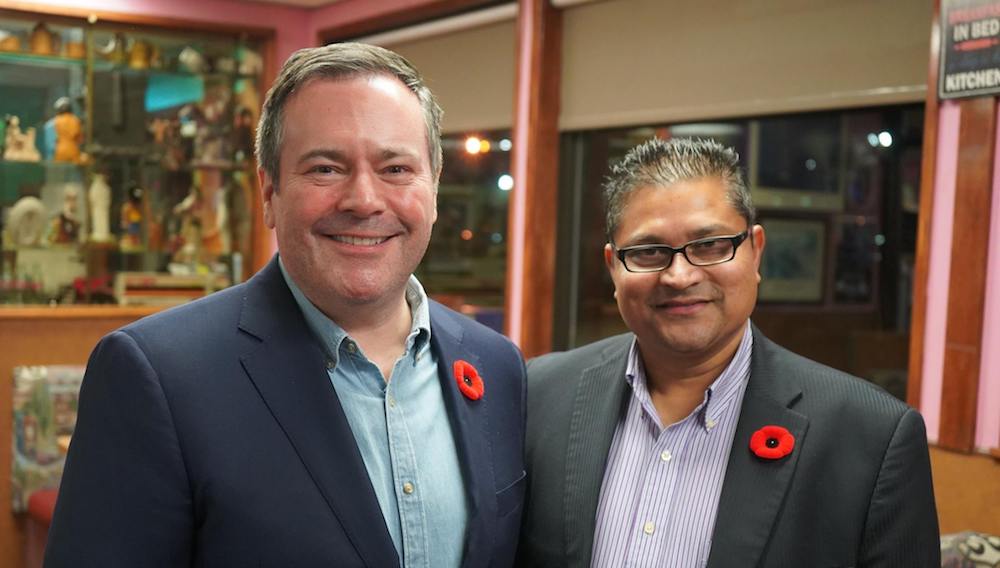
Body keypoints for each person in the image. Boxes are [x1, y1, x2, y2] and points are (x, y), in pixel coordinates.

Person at [46, 43, 527, 567]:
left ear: (433, 189)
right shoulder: (157, 376)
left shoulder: (497, 368)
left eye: (395, 169)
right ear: (269, 192)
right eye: (325, 168)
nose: (364, 199)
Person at [516, 138, 939, 567]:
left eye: (710, 245)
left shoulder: (871, 437)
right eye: (648, 252)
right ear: (614, 266)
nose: (679, 276)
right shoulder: (541, 394)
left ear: (755, 251)